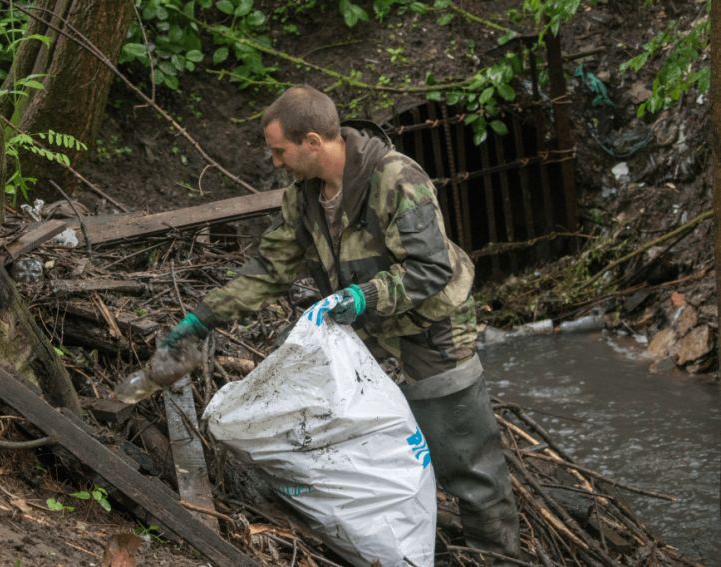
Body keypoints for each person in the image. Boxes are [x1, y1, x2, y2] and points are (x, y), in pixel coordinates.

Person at [161, 84, 520, 563]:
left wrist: (363, 295)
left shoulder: (395, 177)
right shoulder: (303, 198)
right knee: (374, 454)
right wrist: (204, 318)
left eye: (280, 151)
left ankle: (497, 559)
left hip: (431, 333)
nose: (276, 162)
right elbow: (270, 269)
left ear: (313, 141)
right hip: (367, 340)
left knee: (470, 467)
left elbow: (430, 268)